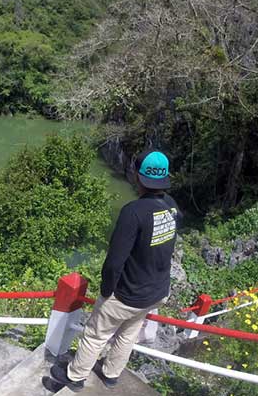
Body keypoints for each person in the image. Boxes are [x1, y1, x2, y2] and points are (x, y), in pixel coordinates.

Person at [45, 150, 181, 392]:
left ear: (139, 178)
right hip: (156, 291)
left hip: (128, 293)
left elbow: (114, 261)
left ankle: (75, 376)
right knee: (128, 333)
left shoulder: (133, 212)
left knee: (95, 334)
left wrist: (107, 292)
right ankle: (110, 374)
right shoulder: (171, 207)